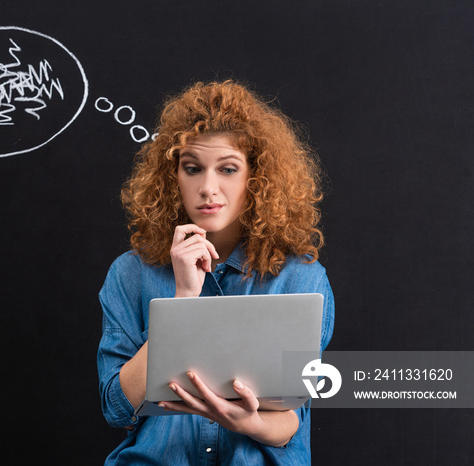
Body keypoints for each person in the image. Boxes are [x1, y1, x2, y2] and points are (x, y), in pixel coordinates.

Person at [97, 80, 335, 465]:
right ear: (173, 178)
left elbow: (291, 416)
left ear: (255, 180)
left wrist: (249, 423)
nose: (208, 187)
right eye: (192, 169)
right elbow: (117, 407)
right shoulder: (130, 274)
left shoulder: (301, 278)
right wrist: (182, 302)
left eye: (227, 169)